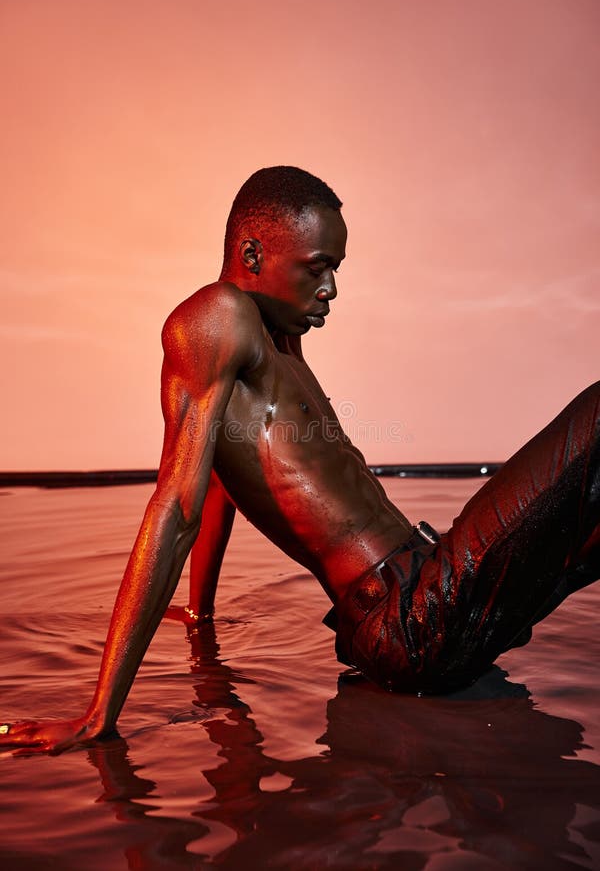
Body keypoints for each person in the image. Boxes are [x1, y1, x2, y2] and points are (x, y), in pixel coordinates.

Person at [1, 166, 598, 753]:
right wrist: (98, 715)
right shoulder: (217, 314)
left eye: (336, 269)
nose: (331, 289)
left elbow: (216, 486)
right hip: (410, 618)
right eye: (318, 269)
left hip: (432, 595)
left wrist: (200, 614)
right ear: (253, 254)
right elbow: (176, 507)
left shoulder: (279, 345)